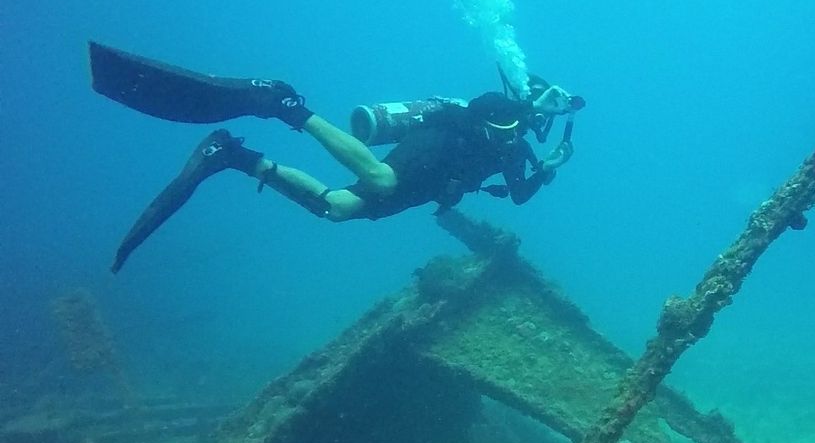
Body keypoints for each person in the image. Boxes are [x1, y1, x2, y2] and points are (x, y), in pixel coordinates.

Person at [87, 42, 582, 273]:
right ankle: (284, 106)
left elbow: (518, 196)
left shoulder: (519, 150)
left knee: (336, 210)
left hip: (433, 185)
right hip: (432, 150)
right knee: (382, 179)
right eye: (545, 107)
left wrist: (551, 165)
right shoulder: (502, 109)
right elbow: (481, 110)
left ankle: (235, 157)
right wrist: (531, 102)